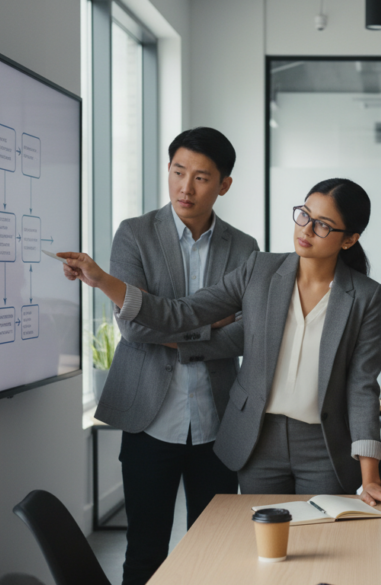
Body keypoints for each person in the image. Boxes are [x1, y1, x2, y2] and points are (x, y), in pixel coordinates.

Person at [61, 178, 381, 510]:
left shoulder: (364, 296)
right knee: (264, 548)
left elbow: (362, 387)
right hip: (258, 440)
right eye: (304, 214)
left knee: (320, 552)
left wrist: (370, 479)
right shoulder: (259, 270)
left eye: (322, 225)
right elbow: (184, 311)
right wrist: (104, 281)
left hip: (324, 446)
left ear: (348, 239)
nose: (305, 229)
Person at [95, 127, 257, 585]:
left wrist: (174, 325)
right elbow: (133, 326)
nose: (186, 187)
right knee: (145, 552)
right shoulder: (134, 234)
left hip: (218, 423)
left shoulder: (244, 248)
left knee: (217, 554)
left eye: (202, 177)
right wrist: (211, 325)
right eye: (178, 171)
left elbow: (247, 333)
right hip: (149, 419)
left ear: (224, 184)